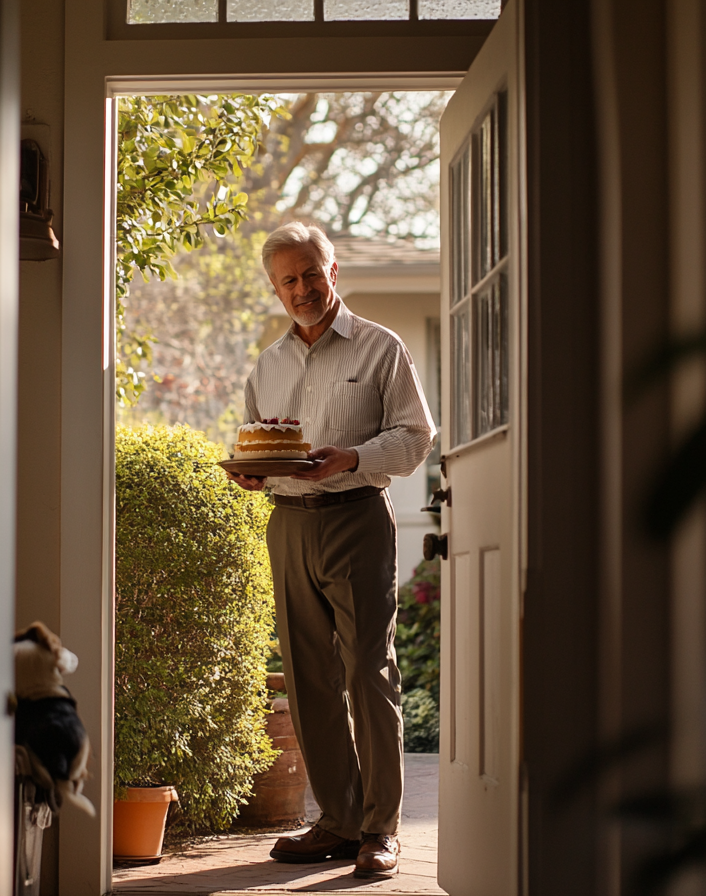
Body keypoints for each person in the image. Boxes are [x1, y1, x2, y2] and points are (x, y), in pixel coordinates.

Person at [226, 222, 436, 878]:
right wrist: (251, 470)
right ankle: (337, 822)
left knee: (368, 674)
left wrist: (352, 457)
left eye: (311, 274)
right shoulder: (268, 363)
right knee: (308, 678)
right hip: (287, 524)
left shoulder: (381, 347)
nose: (302, 288)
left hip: (356, 519)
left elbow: (415, 436)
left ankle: (381, 829)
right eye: (288, 280)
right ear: (275, 289)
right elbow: (260, 442)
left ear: (333, 272)